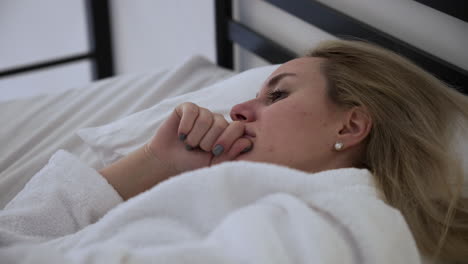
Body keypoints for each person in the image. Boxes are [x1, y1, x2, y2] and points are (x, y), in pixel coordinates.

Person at [1, 40, 467, 264]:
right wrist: (152, 163)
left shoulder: (335, 224)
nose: (239, 109)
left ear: (351, 124)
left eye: (277, 95)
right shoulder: (279, 204)